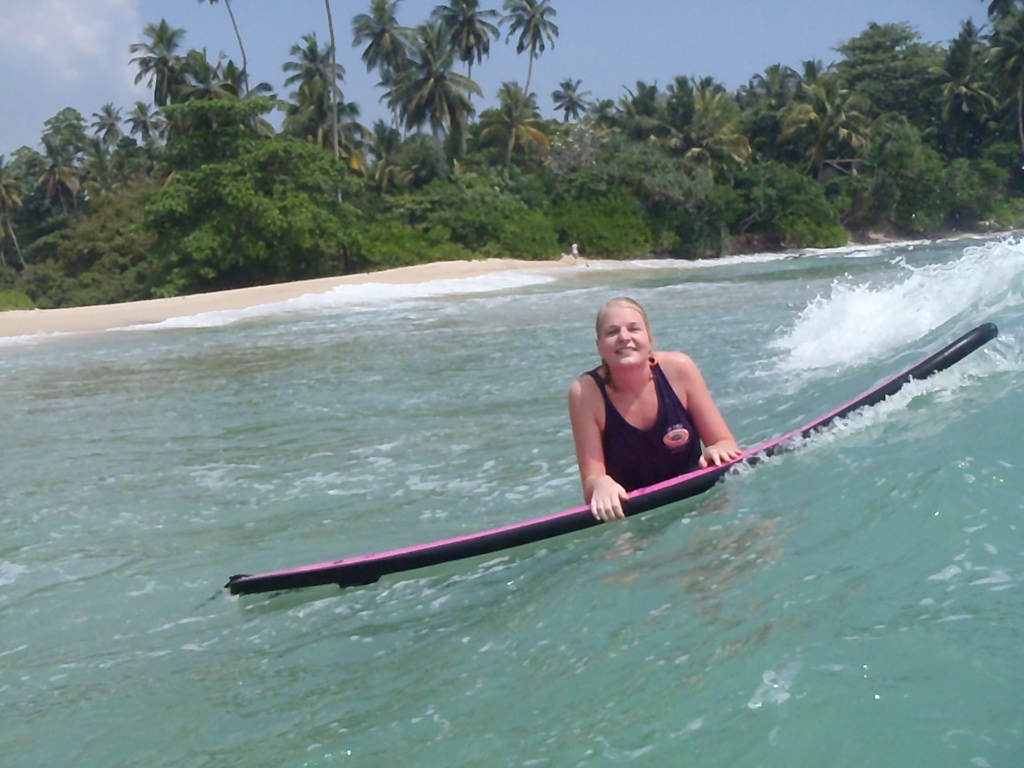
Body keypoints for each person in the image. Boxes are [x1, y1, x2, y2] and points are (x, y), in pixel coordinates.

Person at [568, 296, 742, 522]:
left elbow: (725, 443)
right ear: (600, 346)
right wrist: (600, 484)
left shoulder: (679, 370)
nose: (624, 337)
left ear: (649, 339)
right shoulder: (585, 393)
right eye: (612, 332)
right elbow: (592, 480)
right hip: (634, 517)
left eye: (634, 329)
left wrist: (717, 451)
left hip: (699, 504)